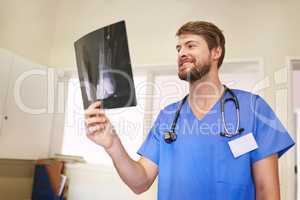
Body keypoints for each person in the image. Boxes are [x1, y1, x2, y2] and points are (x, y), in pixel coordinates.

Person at [84, 21, 295, 200]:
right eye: (179, 48)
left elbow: (267, 192)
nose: (182, 53)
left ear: (216, 52)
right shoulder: (168, 117)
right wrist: (112, 145)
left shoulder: (253, 108)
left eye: (190, 45)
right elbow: (140, 182)